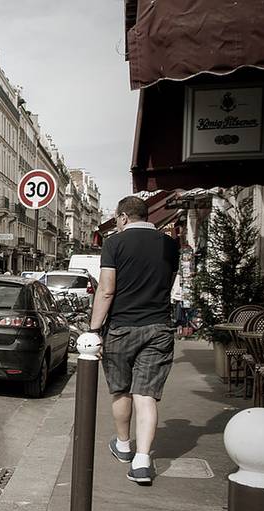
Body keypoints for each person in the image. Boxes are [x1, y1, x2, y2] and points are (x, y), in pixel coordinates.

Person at [89, 196, 179, 486]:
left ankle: (124, 445)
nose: (116, 222)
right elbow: (168, 281)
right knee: (146, 394)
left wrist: (94, 328)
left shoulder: (114, 243)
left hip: (121, 328)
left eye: (116, 218)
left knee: (122, 391)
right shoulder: (170, 244)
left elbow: (105, 290)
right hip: (159, 327)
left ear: (124, 217)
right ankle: (142, 462)